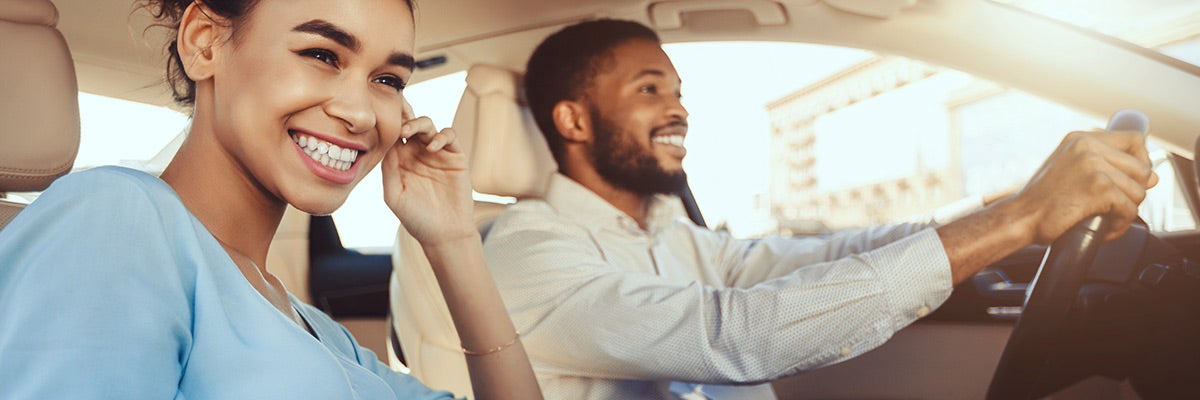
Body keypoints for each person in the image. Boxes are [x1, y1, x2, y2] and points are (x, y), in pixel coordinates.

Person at [480, 19, 1158, 399]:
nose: (680, 109)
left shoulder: (668, 233)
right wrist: (1021, 220)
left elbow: (825, 253)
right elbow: (731, 335)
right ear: (573, 120)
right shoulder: (525, 253)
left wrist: (998, 208)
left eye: (679, 92)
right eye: (650, 90)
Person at [0, 0, 542, 399]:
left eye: (387, 80)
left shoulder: (318, 331)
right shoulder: (111, 218)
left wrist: (453, 240)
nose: (360, 113)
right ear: (204, 43)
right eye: (322, 54)